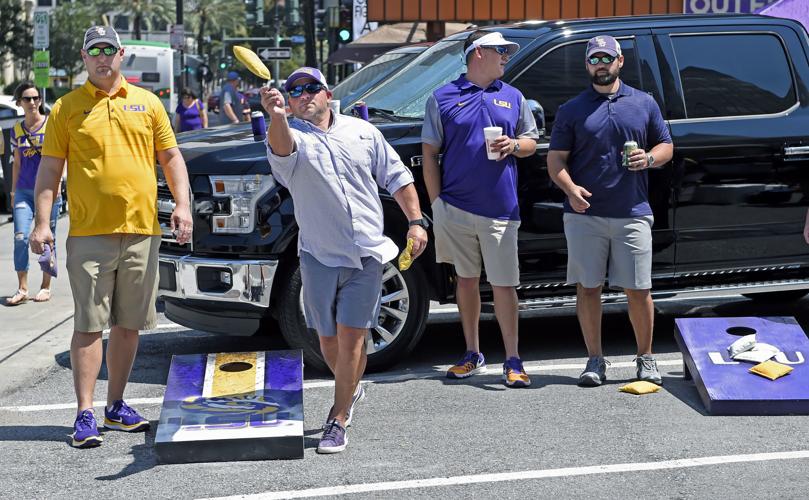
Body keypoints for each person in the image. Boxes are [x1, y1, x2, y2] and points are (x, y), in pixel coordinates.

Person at [29, 25, 192, 448]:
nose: (102, 58)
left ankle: (116, 406)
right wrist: (42, 222)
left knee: (129, 325)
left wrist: (182, 205)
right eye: (93, 52)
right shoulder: (66, 108)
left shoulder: (148, 103)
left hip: (142, 231)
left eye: (108, 51)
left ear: (121, 55)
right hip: (89, 233)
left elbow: (171, 158)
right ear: (84, 58)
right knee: (88, 325)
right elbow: (49, 170)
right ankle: (84, 413)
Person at [260, 67, 428, 454]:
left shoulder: (363, 132)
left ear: (327, 92)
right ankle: (350, 390)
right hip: (319, 255)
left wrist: (416, 222)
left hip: (366, 252)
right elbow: (281, 152)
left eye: (311, 88)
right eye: (295, 91)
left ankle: (337, 418)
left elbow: (398, 177)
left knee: (353, 339)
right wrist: (277, 117)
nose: (304, 95)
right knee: (328, 342)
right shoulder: (291, 136)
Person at [547, 35, 674, 387]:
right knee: (588, 288)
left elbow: (666, 146)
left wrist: (648, 158)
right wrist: (570, 189)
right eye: (593, 60)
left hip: (632, 211)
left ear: (620, 61)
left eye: (607, 58)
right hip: (584, 215)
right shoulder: (572, 109)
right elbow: (555, 159)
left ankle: (645, 359)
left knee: (638, 289)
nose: (600, 65)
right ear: (587, 65)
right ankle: (594, 360)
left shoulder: (643, 103)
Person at [421, 30, 538, 388]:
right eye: (501, 50)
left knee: (504, 285)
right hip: (454, 207)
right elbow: (429, 153)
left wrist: (515, 144)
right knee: (466, 281)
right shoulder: (441, 98)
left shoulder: (514, 96)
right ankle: (472, 354)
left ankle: (513, 359)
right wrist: (437, 203)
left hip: (500, 209)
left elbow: (532, 143)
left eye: (507, 51)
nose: (506, 56)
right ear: (478, 53)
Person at [6, 82, 63, 305]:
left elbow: (61, 157)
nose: (32, 102)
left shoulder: (51, 125)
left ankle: (45, 286)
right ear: (19, 103)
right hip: (23, 191)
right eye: (27, 99)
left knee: (48, 240)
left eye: (35, 98)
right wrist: (12, 192)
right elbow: (17, 163)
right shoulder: (16, 130)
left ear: (40, 100)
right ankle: (22, 288)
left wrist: (60, 182)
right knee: (20, 237)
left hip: (48, 192)